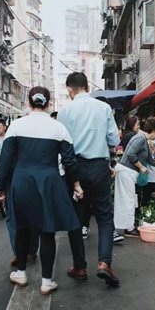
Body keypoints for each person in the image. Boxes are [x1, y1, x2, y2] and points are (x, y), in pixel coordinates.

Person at [0, 87, 84, 295]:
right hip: (49, 181)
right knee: (47, 231)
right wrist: (76, 184)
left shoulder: (16, 126)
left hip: (22, 181)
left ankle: (21, 273)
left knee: (23, 228)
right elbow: (70, 161)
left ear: (29, 103)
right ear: (48, 103)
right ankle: (46, 281)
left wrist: (1, 187)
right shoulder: (58, 128)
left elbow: (6, 161)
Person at [58, 72, 120, 287]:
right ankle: (104, 263)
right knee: (104, 216)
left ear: (70, 89)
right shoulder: (103, 108)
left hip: (74, 167)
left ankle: (80, 267)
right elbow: (114, 138)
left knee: (75, 217)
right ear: (86, 86)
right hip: (99, 166)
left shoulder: (65, 110)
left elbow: (61, 143)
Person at [114, 118, 155, 241]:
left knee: (129, 200)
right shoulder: (140, 139)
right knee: (127, 200)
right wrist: (141, 167)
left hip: (128, 173)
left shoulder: (144, 140)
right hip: (127, 172)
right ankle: (124, 229)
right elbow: (130, 154)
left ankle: (127, 227)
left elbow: (150, 160)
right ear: (152, 130)